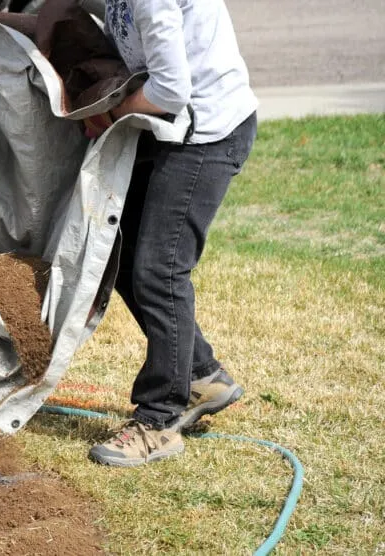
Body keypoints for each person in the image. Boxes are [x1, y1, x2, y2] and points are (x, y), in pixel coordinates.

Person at [87, 0, 258, 466]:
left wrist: (111, 112)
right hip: (169, 131)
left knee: (160, 272)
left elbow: (170, 89)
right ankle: (203, 376)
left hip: (206, 133)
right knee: (122, 257)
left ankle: (161, 418)